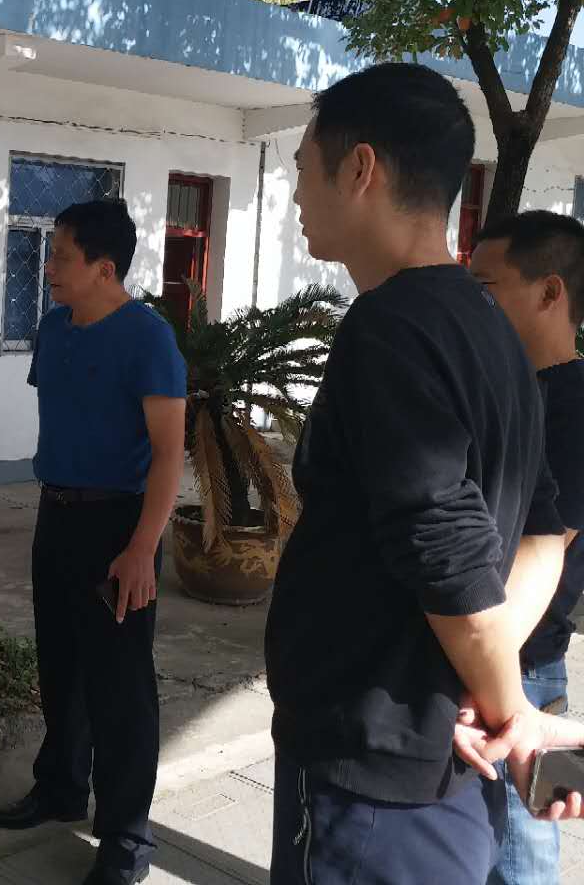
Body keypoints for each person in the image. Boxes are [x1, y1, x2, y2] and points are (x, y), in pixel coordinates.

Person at [265, 63, 583, 885]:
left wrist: (508, 707)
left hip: (371, 786)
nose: (296, 194)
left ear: (360, 168)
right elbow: (544, 531)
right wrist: (490, 687)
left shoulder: (390, 329)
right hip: (440, 765)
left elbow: (448, 555)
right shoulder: (489, 323)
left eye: (303, 167)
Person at [0, 199, 186, 885]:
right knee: (61, 666)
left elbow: (169, 454)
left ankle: (126, 836)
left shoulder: (148, 338)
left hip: (118, 526)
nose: (50, 268)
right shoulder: (54, 328)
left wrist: (142, 548)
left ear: (105, 268)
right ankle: (61, 786)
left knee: (120, 688)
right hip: (57, 515)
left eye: (64, 257)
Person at [467, 211, 584, 885]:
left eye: (485, 286)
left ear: (549, 292)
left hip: (523, 663)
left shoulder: (573, 407)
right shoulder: (506, 390)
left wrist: (480, 668)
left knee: (519, 857)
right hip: (484, 651)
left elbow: (542, 550)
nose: (472, 303)